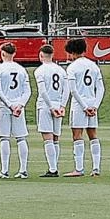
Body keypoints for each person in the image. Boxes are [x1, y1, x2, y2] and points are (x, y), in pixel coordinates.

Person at [64, 38, 104, 177]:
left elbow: (73, 90)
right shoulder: (93, 66)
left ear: (72, 52)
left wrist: (84, 106)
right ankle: (96, 168)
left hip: (79, 105)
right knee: (93, 135)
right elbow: (100, 88)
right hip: (92, 103)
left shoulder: (72, 67)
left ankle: (79, 169)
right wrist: (95, 106)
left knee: (77, 135)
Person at [0, 43, 30, 179]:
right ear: (14, 53)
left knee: (4, 137)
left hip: (5, 106)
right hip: (18, 106)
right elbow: (27, 91)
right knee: (21, 138)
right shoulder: (21, 69)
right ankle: (23, 169)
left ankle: (4, 170)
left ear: (2, 54)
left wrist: (10, 105)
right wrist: (20, 105)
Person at [33, 44, 68, 177]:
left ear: (41, 55)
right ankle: (54, 166)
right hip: (58, 104)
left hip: (46, 105)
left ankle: (53, 169)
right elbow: (66, 90)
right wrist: (62, 106)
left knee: (47, 138)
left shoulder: (40, 71)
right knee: (55, 138)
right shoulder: (61, 70)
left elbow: (42, 91)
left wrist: (51, 107)